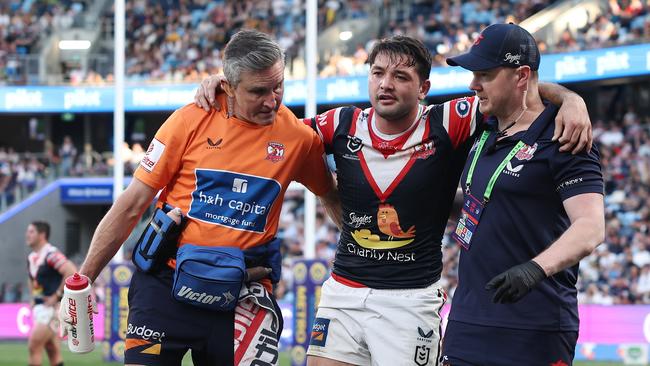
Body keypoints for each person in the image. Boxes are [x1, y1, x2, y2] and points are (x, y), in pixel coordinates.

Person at [194, 35, 592, 366]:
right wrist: (227, 81)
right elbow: (269, 128)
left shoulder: (450, 121)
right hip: (344, 292)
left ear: (423, 89)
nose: (386, 84)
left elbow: (520, 93)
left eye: (401, 76)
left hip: (410, 301)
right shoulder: (340, 124)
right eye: (378, 73)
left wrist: (571, 100)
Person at [61, 29, 338, 366]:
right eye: (258, 91)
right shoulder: (189, 120)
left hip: (242, 296)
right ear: (230, 87)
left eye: (278, 85)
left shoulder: (298, 139)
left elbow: (331, 196)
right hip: (165, 286)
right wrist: (84, 279)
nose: (272, 100)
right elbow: (132, 203)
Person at [441, 23, 605, 365]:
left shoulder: (565, 136)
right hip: (467, 324)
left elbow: (590, 228)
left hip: (534, 328)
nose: (473, 84)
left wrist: (534, 269)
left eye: (484, 74)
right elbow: (485, 204)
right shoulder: (482, 128)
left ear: (521, 76)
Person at [26, 221, 77, 366]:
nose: (27, 235)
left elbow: (71, 272)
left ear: (42, 235)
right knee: (52, 351)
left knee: (34, 345)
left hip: (54, 310)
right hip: (41, 308)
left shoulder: (51, 254)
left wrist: (57, 294)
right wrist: (33, 298)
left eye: (31, 232)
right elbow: (32, 279)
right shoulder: (31, 257)